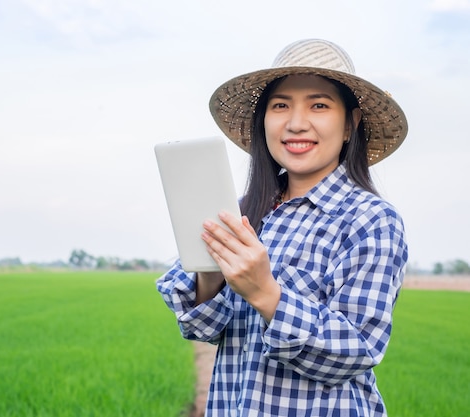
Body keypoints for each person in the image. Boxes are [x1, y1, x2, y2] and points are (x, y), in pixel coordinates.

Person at [156, 39, 409, 416]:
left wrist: (266, 293)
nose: (295, 123)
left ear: (350, 124)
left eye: (319, 105)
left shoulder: (370, 219)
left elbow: (358, 349)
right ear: (264, 120)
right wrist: (211, 272)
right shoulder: (241, 212)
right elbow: (200, 329)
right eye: (280, 106)